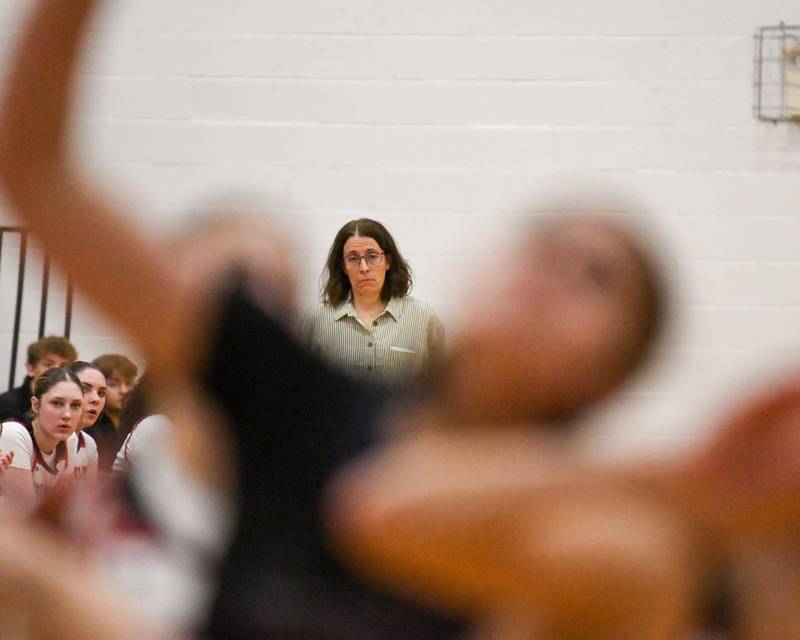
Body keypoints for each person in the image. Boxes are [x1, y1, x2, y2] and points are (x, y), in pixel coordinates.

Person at [0, 1, 667, 638]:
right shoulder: (310, 399)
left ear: (615, 374)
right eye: (543, 246)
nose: (552, 275)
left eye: (596, 279)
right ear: (479, 272)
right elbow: (40, 174)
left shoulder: (585, 530)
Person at [302, 218, 445, 385]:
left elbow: (445, 388)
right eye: (353, 258)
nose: (364, 267)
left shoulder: (423, 319)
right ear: (343, 267)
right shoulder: (317, 321)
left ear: (388, 261)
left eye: (372, 256)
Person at [0, 367, 83, 511]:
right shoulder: (14, 434)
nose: (67, 415)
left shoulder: (70, 439)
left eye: (75, 405)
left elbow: (62, 509)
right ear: (35, 405)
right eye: (57, 403)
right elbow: (25, 514)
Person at [0, 335, 77, 422]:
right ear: (31, 369)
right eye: (48, 365)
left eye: (63, 366)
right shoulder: (6, 405)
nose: (56, 370)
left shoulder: (74, 406)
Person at [87, 353, 137, 472]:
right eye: (113, 384)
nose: (124, 391)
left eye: (129, 384)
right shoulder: (88, 424)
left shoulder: (136, 423)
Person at [66, 361, 104, 479]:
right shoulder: (22, 435)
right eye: (85, 389)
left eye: (101, 393)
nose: (96, 399)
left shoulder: (89, 444)